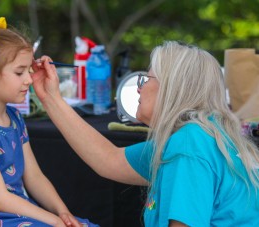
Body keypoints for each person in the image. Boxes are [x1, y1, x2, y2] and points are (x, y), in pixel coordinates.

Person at [31, 41, 259, 226]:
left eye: (146, 78)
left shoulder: (189, 144)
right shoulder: (204, 133)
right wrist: (50, 98)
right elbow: (109, 160)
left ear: (171, 88)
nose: (139, 87)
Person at [0, 14, 84, 227]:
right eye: (19, 72)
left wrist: (63, 214)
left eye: (29, 70)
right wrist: (52, 220)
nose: (28, 79)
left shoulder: (14, 118)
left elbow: (34, 177)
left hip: (11, 212)